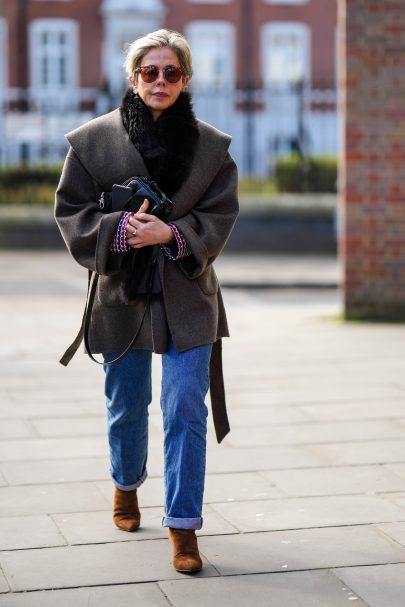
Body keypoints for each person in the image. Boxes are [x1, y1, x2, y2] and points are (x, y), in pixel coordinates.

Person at [55, 29, 238, 573]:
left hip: (188, 294)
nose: (160, 81)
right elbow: (71, 213)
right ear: (133, 78)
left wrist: (171, 235)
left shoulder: (213, 147)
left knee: (185, 407)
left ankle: (183, 527)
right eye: (150, 72)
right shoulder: (91, 142)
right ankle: (125, 484)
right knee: (127, 405)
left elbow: (222, 215)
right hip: (121, 297)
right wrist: (117, 230)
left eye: (172, 73)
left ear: (185, 80)